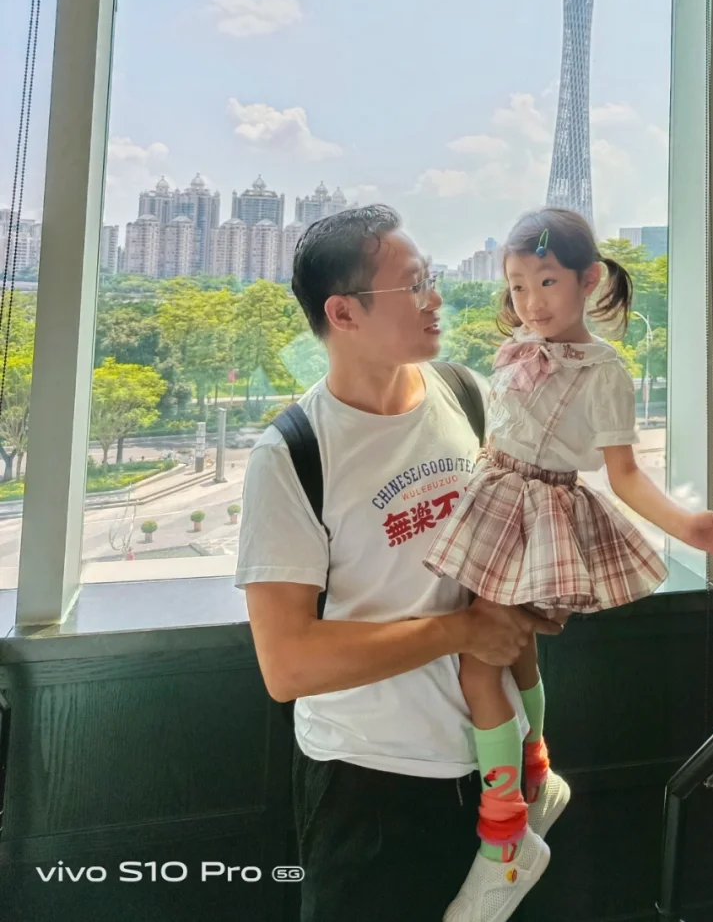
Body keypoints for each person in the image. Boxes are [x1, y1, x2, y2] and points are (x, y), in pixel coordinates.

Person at [234, 205, 561, 921]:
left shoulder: (465, 396)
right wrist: (459, 632)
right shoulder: (293, 455)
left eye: (431, 278)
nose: (435, 298)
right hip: (369, 786)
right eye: (413, 285)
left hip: (492, 760)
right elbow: (287, 664)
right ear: (343, 313)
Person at [425, 206, 713, 922]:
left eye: (546, 281)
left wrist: (688, 525)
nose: (530, 301)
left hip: (536, 514)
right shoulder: (520, 345)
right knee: (513, 653)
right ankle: (536, 773)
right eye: (518, 285)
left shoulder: (604, 371)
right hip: (494, 498)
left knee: (479, 666)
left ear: (589, 279)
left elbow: (624, 474)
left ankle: (505, 836)